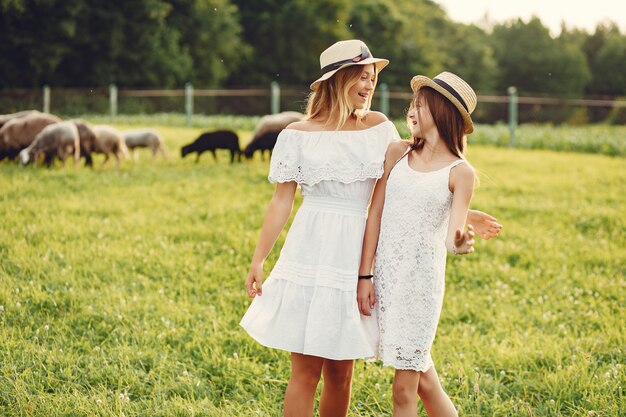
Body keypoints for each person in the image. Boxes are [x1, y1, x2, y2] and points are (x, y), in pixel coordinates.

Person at [240, 39, 500, 417]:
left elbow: (411, 181)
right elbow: (281, 202)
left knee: (342, 373)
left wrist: (459, 213)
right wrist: (259, 258)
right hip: (310, 251)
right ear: (338, 78)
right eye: (362, 77)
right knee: (305, 371)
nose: (369, 86)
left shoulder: (379, 128)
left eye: (373, 78)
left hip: (357, 254)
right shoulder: (296, 134)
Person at [357, 71, 483, 416]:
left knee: (404, 389)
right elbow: (376, 213)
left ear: (442, 113)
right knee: (426, 381)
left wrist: (461, 242)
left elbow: (452, 236)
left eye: (420, 106)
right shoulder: (397, 152)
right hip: (384, 279)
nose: (411, 111)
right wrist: (364, 275)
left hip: (419, 287)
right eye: (412, 104)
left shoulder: (461, 172)